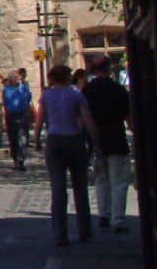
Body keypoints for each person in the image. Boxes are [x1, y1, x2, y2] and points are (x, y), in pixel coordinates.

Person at [34, 64, 101, 247]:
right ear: (68, 77)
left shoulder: (46, 96)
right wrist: (96, 142)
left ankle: (59, 234)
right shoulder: (76, 95)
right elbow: (87, 120)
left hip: (54, 141)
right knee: (80, 188)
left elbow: (39, 121)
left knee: (58, 190)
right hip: (74, 140)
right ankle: (84, 230)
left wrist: (37, 140)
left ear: (53, 78)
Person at [82, 55, 132, 232]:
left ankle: (104, 214)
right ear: (109, 68)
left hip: (96, 141)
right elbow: (129, 118)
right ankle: (117, 219)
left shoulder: (87, 90)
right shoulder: (118, 90)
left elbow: (82, 118)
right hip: (116, 139)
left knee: (101, 179)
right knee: (119, 181)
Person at [2, 69, 33, 171]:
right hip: (11, 116)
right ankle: (15, 160)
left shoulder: (23, 88)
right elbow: (8, 101)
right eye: (16, 77)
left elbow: (27, 98)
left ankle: (21, 161)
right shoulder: (7, 90)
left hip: (22, 115)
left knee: (22, 139)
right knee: (13, 139)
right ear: (12, 79)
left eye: (19, 77)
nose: (19, 79)